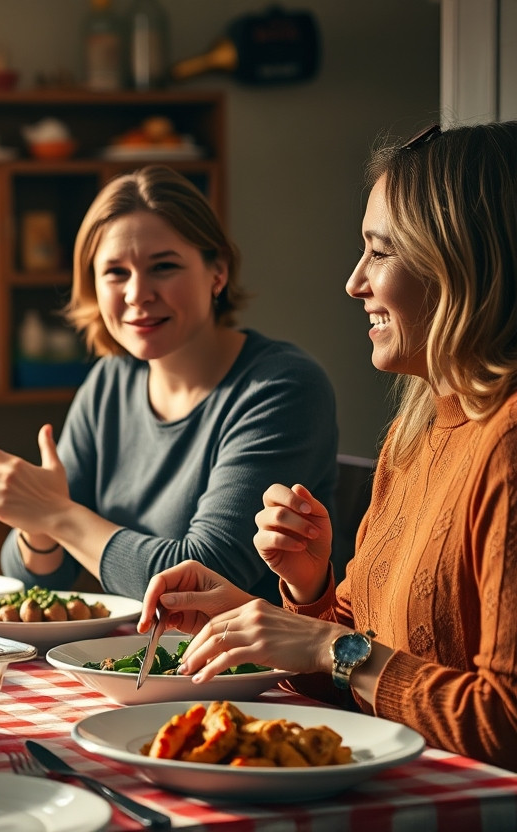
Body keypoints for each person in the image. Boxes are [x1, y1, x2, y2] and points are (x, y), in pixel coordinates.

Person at [141, 122, 517, 769]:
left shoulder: (506, 445)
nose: (354, 282)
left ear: (464, 262)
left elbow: (504, 722)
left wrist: (322, 644)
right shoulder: (416, 430)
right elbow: (357, 664)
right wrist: (294, 601)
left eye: (381, 252)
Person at [0, 166, 339, 605]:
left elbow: (203, 580)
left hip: (252, 669)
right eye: (115, 272)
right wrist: (39, 526)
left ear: (218, 273)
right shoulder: (109, 382)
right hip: (133, 660)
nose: (137, 293)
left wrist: (55, 513)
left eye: (164, 266)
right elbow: (38, 582)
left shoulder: (281, 386)